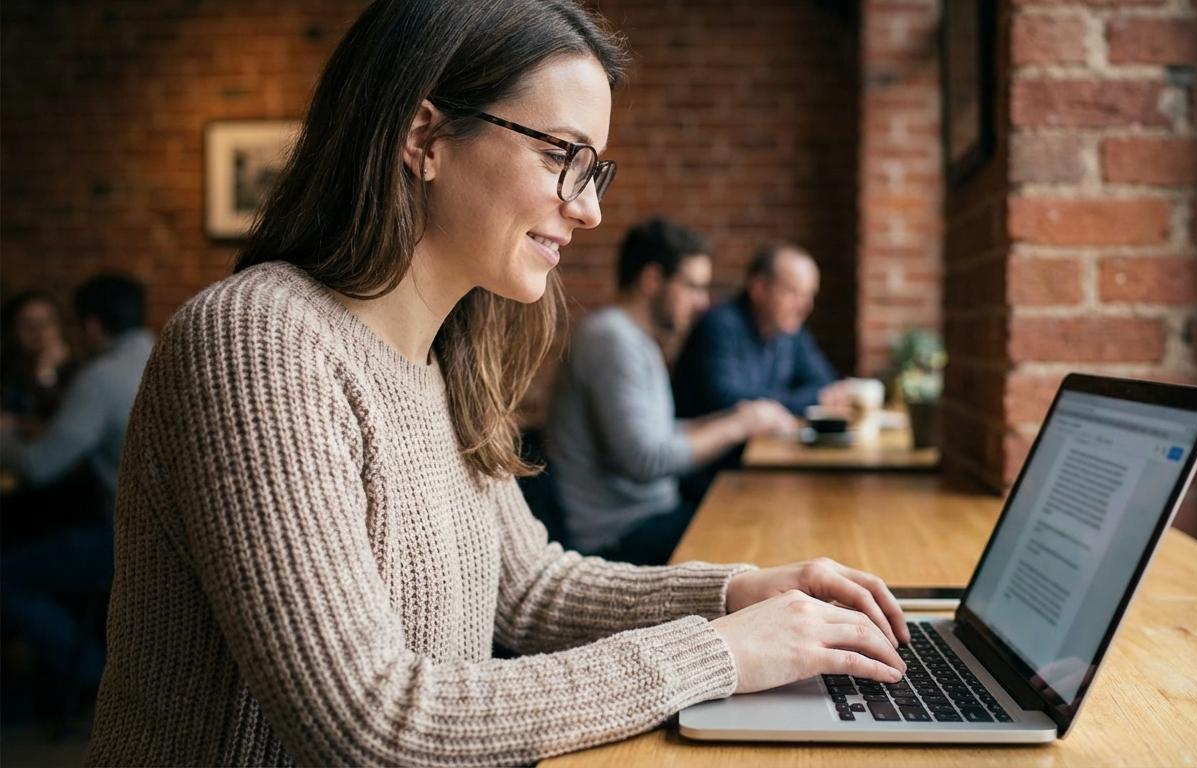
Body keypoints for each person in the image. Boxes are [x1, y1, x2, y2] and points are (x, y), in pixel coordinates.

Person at [85, 2, 910, 765]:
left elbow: (530, 588)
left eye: (595, 170)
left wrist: (738, 590)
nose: (587, 209)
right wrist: (719, 653)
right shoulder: (257, 341)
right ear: (425, 138)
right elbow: (370, 720)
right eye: (562, 156)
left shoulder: (441, 357)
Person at [546, 217, 794, 565]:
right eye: (692, 286)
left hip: (651, 518)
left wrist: (739, 417)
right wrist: (739, 425)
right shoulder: (610, 339)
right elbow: (647, 459)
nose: (702, 302)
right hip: (617, 537)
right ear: (652, 279)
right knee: (759, 534)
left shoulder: (636, 339)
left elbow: (659, 434)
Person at [0, 274, 153, 702]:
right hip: (171, 535)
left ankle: (91, 673)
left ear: (89, 325)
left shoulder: (99, 378)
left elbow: (38, 465)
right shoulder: (165, 353)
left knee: (5, 576)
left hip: (124, 537)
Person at [674, 241, 847, 420]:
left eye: (809, 295)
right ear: (759, 289)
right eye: (793, 292)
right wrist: (810, 400)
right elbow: (728, 403)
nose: (805, 306)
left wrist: (788, 400)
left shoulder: (790, 329)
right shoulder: (718, 326)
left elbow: (825, 384)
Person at [1, 291, 77, 431]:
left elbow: (63, 425)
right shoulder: (7, 369)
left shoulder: (77, 373)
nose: (38, 331)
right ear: (12, 331)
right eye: (27, 323)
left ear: (59, 327)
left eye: (47, 322)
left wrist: (46, 374)